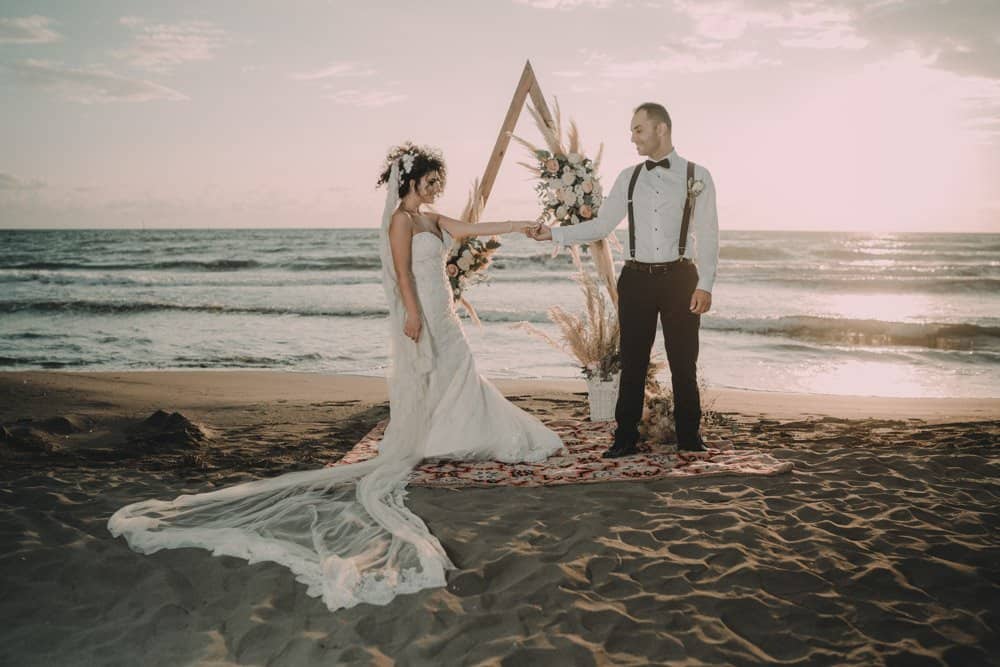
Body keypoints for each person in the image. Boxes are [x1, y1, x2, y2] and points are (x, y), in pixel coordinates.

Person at [107, 142, 563, 612]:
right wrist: (412, 315)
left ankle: (457, 433)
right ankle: (440, 437)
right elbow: (403, 274)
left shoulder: (433, 218)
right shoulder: (401, 222)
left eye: (437, 183)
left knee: (459, 368)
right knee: (438, 373)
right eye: (428, 181)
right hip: (423, 307)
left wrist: (518, 226)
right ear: (409, 180)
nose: (434, 188)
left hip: (444, 309)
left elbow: (470, 229)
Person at [529, 103, 719, 458]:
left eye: (638, 130)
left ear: (661, 129)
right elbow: (601, 226)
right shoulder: (628, 177)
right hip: (635, 278)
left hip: (680, 277)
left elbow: (708, 234)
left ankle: (690, 437)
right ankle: (625, 437)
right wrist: (552, 235)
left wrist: (705, 283)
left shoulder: (698, 175)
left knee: (683, 361)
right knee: (632, 361)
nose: (632, 137)